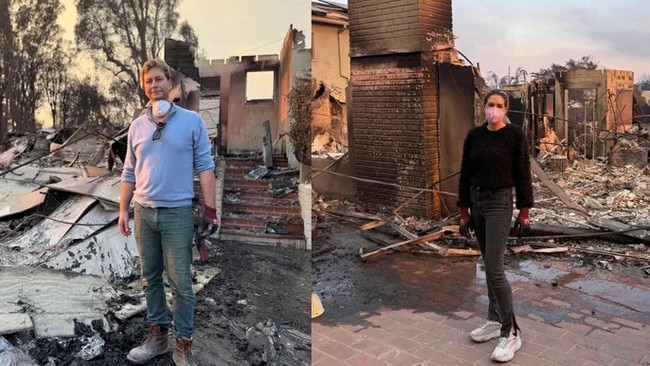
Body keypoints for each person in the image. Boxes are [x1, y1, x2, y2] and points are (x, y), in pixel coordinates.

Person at [118, 58, 218, 366]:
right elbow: (129, 171)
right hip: (143, 213)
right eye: (149, 81)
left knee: (181, 283)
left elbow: (205, 165)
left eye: (159, 79)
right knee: (149, 279)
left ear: (170, 84)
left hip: (177, 214)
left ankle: (183, 344)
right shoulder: (136, 126)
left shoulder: (191, 122)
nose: (154, 85)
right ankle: (158, 338)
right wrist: (123, 209)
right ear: (143, 86)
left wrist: (211, 210)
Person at [456, 89, 533, 363]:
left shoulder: (514, 136)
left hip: (500, 204)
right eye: (490, 104)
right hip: (477, 203)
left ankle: (510, 331)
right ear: (483, 106)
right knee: (487, 266)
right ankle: (492, 318)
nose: (494, 109)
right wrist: (463, 211)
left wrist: (524, 212)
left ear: (506, 109)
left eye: (499, 105)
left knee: (495, 269)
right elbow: (465, 172)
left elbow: (523, 173)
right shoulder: (474, 136)